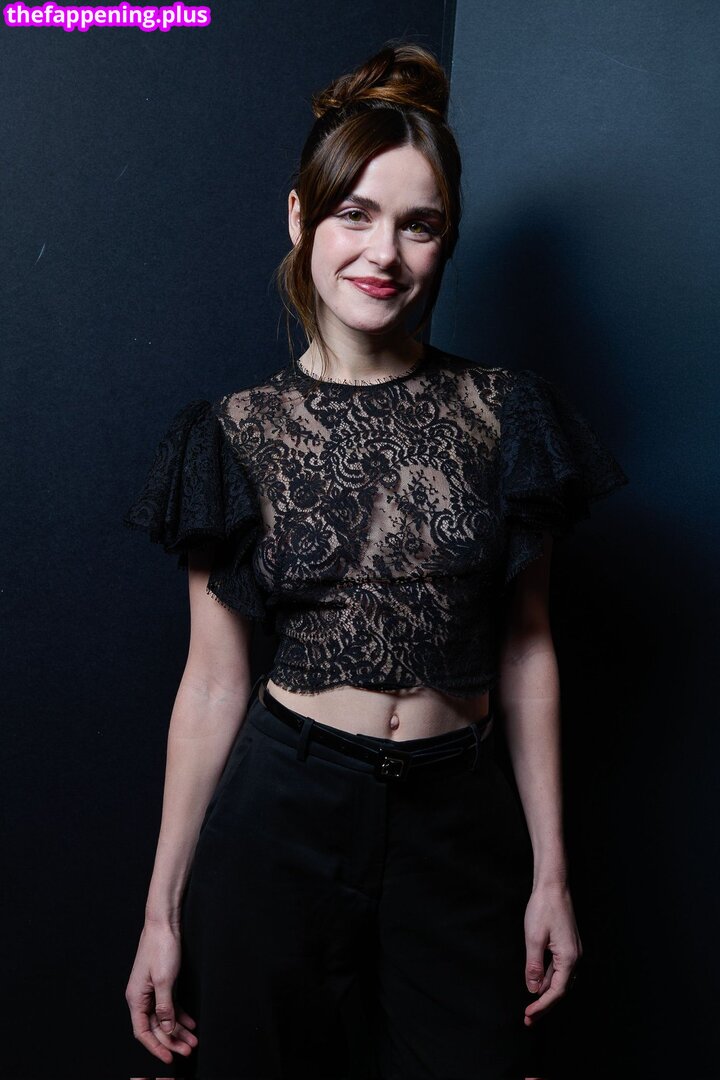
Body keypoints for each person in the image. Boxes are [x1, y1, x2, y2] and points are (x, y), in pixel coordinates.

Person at [123, 41, 629, 1080]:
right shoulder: (233, 432)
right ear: (300, 218)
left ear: (447, 241)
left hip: (459, 822)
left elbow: (528, 652)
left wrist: (552, 873)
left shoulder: (507, 413)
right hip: (283, 815)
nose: (383, 253)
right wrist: (161, 912)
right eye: (354, 214)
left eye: (418, 224)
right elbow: (212, 682)